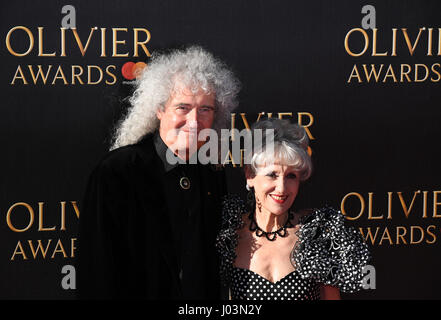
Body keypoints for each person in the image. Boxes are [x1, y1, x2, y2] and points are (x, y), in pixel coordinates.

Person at [78, 46, 240, 299]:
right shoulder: (117, 172)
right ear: (159, 109)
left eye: (205, 109)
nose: (194, 121)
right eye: (183, 108)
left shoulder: (212, 172)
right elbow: (97, 273)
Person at [216, 118, 370, 300]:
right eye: (272, 175)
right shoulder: (229, 236)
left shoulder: (316, 236)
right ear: (250, 175)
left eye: (291, 176)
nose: (281, 188)